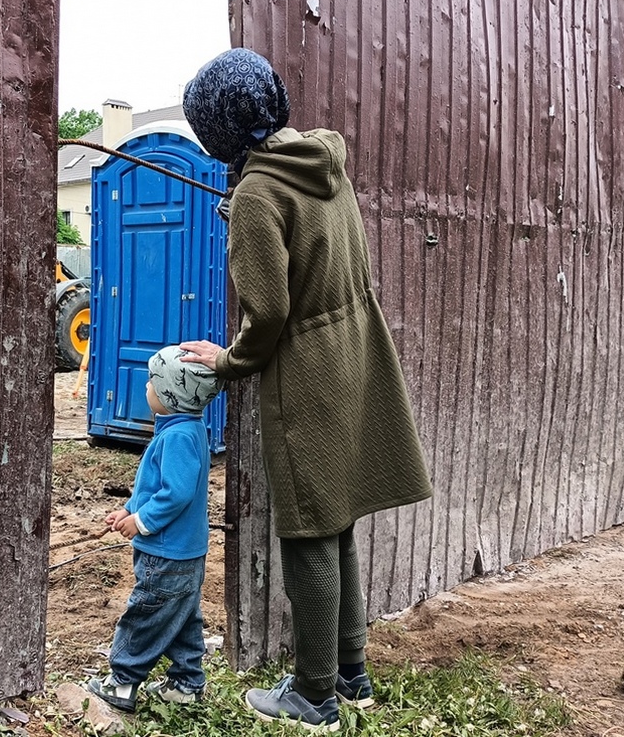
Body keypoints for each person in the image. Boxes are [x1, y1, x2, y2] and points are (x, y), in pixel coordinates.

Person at [178, 47, 433, 732]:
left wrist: (228, 362)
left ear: (220, 132)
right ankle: (352, 673)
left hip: (308, 371)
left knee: (308, 531)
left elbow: (266, 315)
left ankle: (315, 695)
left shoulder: (261, 192)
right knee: (337, 517)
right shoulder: (322, 161)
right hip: (356, 350)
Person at [86, 345, 225, 713]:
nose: (146, 386)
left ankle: (122, 682)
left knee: (147, 613)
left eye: (152, 380)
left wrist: (141, 522)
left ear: (169, 394)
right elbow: (155, 485)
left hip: (166, 552)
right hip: (184, 551)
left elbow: (175, 494)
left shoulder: (177, 437)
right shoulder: (185, 429)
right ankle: (186, 683)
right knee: (182, 617)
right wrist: (128, 510)